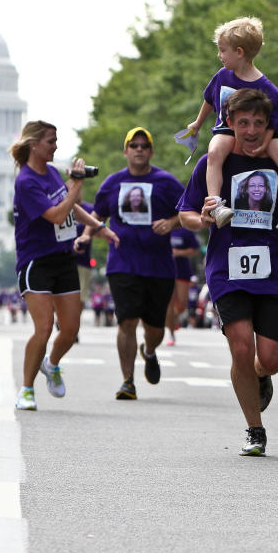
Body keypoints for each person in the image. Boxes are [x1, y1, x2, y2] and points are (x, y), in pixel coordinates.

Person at [178, 88, 278, 457]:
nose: (251, 130)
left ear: (269, 125)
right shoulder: (213, 163)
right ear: (230, 123)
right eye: (243, 123)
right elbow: (185, 214)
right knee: (239, 347)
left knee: (270, 358)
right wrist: (201, 218)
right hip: (228, 268)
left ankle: (261, 375)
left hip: (276, 270)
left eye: (258, 123)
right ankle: (255, 428)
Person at [9, 120, 118, 410]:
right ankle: (26, 389)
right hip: (36, 262)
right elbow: (57, 215)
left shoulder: (53, 173)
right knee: (43, 327)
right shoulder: (27, 181)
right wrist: (77, 184)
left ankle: (52, 364)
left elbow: (71, 207)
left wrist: (98, 226)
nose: (56, 146)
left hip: (63, 259)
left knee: (70, 329)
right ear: (34, 145)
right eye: (51, 141)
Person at [180, 16, 278, 235]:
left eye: (222, 50)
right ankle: (216, 204)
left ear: (239, 52)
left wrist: (263, 144)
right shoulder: (222, 76)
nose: (219, 55)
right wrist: (198, 123)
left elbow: (275, 124)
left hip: (264, 133)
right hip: (225, 128)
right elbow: (210, 99)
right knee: (215, 152)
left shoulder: (268, 89)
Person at [83, 127, 184, 399]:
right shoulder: (113, 183)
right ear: (125, 151)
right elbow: (97, 214)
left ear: (151, 151)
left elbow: (189, 212)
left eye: (144, 145)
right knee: (126, 322)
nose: (139, 149)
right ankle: (127, 381)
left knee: (155, 328)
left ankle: (149, 351)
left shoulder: (166, 182)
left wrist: (171, 222)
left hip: (159, 265)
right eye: (134, 145)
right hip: (122, 262)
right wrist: (85, 235)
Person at [166, 227, 201, 345]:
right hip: (166, 271)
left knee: (182, 304)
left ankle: (173, 318)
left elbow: (195, 249)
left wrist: (178, 252)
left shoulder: (186, 231)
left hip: (183, 271)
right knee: (169, 304)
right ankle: (171, 334)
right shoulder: (165, 228)